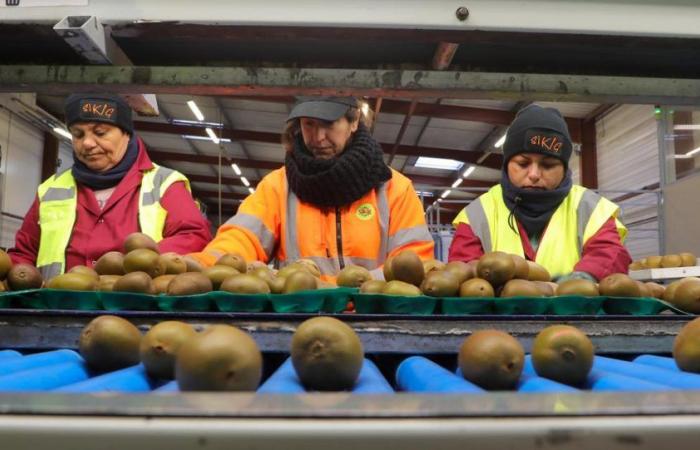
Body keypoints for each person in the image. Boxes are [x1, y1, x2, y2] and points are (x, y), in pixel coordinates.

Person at [190, 96, 434, 281]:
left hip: (376, 321)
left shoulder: (393, 189)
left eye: (328, 124)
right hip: (299, 319)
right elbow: (240, 240)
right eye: (308, 125)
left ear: (354, 121)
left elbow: (414, 260)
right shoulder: (278, 186)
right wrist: (200, 263)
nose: (318, 137)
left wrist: (342, 290)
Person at [9, 93, 212, 278]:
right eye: (78, 135)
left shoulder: (164, 183)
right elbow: (24, 254)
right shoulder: (50, 190)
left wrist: (137, 262)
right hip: (60, 309)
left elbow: (193, 236)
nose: (87, 143)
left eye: (100, 132)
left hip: (138, 307)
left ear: (126, 134)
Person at [448, 104, 631, 282]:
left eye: (548, 165)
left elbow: (609, 254)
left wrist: (583, 279)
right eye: (523, 163)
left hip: (575, 312)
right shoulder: (477, 215)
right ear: (506, 164)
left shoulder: (592, 209)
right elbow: (463, 269)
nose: (534, 174)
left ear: (565, 168)